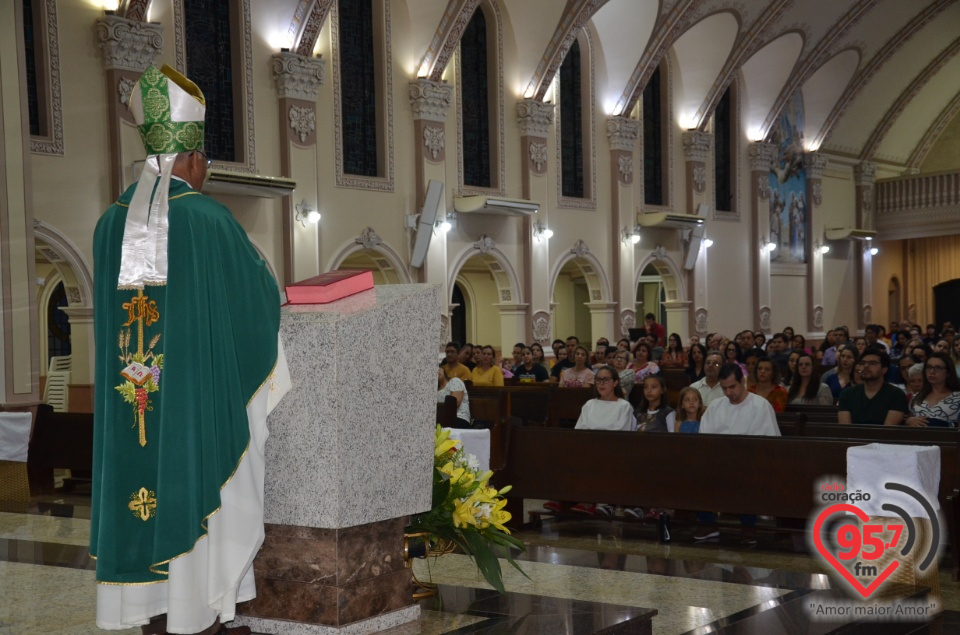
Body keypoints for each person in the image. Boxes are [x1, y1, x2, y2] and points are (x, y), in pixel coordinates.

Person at [91, 65, 288, 635]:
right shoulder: (206, 218)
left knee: (137, 467)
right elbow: (259, 300)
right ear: (195, 159)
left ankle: (147, 608)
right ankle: (197, 610)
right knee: (207, 477)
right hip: (192, 411)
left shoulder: (109, 225)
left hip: (135, 398)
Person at [695, 364, 780, 543]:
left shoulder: (760, 406)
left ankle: (748, 525)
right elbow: (704, 440)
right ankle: (708, 523)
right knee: (695, 472)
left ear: (743, 382)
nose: (728, 393)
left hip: (750, 464)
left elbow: (772, 444)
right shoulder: (716, 406)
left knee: (748, 475)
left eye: (732, 387)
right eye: (724, 388)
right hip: (719, 463)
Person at [545, 366, 635, 516]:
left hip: (613, 452)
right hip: (586, 448)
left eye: (606, 380)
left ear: (615, 383)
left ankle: (588, 502)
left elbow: (622, 436)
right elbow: (579, 432)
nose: (601, 383)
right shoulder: (590, 404)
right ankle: (560, 497)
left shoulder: (623, 406)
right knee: (563, 455)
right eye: (598, 380)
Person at [625, 374, 675, 520]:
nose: (649, 391)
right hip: (639, 454)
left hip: (660, 456)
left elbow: (672, 438)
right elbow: (631, 435)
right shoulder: (637, 413)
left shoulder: (668, 412)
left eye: (654, 387)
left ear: (662, 390)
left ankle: (657, 507)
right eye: (646, 387)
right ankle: (638, 506)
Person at [838, 349, 908, 425]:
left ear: (884, 369)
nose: (866, 366)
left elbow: (888, 429)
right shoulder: (847, 394)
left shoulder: (896, 394)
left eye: (872, 363)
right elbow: (845, 428)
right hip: (852, 436)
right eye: (862, 363)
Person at [905, 352, 960, 427]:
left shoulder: (957, 397)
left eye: (938, 368)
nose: (932, 372)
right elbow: (908, 419)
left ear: (948, 372)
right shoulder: (916, 397)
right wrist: (909, 421)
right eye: (929, 367)